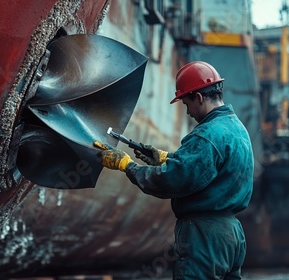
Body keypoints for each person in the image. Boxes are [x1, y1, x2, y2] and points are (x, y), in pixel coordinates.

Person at [94, 61, 254, 279]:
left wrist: (126, 165)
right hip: (232, 234)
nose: (187, 112)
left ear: (198, 97)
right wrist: (166, 158)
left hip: (203, 235)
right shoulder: (237, 129)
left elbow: (173, 180)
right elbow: (212, 171)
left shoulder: (207, 135)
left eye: (186, 103)